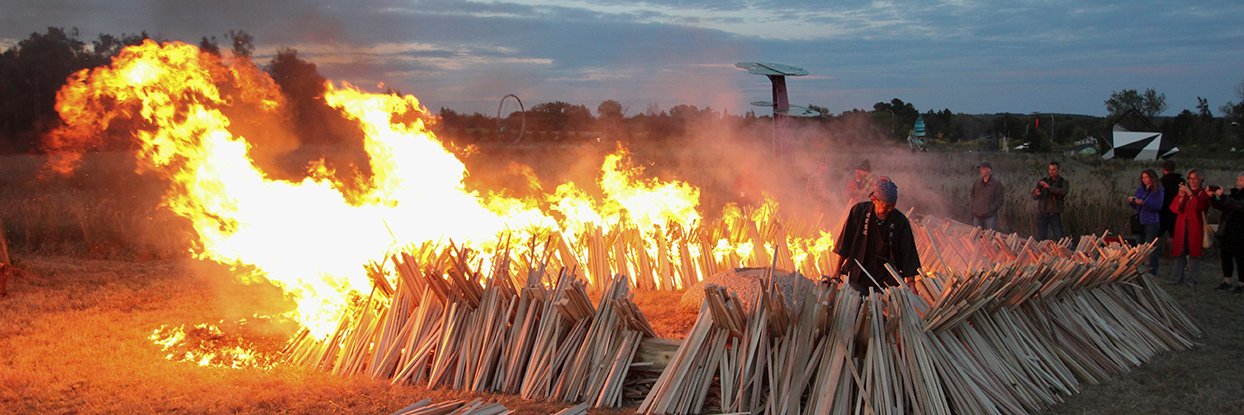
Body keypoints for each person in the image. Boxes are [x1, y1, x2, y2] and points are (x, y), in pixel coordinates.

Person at [832, 177, 922, 294]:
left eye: (892, 205)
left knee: (881, 310)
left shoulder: (900, 221)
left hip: (886, 279)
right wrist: (837, 270)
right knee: (856, 307)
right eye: (886, 206)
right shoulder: (858, 211)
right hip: (859, 274)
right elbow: (845, 242)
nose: (889, 209)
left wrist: (911, 283)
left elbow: (908, 252)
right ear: (874, 200)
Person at [1168, 169, 1211, 287]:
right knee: (1179, 253)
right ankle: (1176, 278)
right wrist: (1181, 197)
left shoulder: (1202, 194)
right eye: (1190, 178)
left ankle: (1192, 280)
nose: (1192, 181)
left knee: (1194, 254)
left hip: (1195, 227)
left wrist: (1190, 194)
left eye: (1195, 178)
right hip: (1182, 227)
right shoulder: (1184, 193)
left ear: (1200, 180)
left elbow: (1198, 206)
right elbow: (1174, 208)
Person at [1210, 172, 1244, 293]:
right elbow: (1222, 206)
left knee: (1241, 259)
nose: (1238, 182)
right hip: (1227, 231)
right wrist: (1213, 197)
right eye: (1238, 179)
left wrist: (1224, 197)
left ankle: (1241, 283)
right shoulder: (1233, 194)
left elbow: (1239, 207)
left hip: (1240, 232)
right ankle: (1227, 281)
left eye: (1241, 180)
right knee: (1226, 257)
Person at [1127, 169, 1164, 276]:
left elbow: (1157, 206)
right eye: (1143, 178)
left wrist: (1144, 203)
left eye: (1147, 177)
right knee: (1139, 246)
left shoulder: (1158, 191)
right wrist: (1133, 202)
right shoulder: (1141, 189)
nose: (1145, 180)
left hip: (1151, 220)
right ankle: (1139, 268)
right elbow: (1136, 206)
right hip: (1139, 220)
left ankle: (1152, 270)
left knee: (1150, 246)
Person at [1031, 161, 1069, 240]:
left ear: (1058, 170)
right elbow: (1035, 196)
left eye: (1053, 170)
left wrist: (1049, 187)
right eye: (1050, 169)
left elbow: (1062, 192)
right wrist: (1036, 193)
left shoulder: (1063, 182)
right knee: (1041, 237)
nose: (1051, 172)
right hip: (1042, 212)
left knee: (1059, 236)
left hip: (1054, 213)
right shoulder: (1043, 180)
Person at [970, 161, 1004, 231]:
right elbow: (972, 195)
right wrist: (974, 206)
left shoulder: (996, 184)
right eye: (980, 169)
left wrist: (990, 208)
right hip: (977, 215)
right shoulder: (977, 182)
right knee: (976, 236)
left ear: (989, 170)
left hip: (990, 216)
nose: (981, 171)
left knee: (989, 237)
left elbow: (1000, 199)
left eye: (983, 169)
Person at [1159, 160, 1183, 241]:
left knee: (1157, 237)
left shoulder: (1161, 182)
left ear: (1163, 170)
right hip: (1178, 213)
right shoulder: (1181, 181)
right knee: (1175, 237)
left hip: (1163, 213)